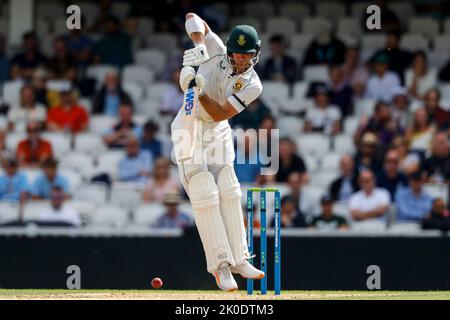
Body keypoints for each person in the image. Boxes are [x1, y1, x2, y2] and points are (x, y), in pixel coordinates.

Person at [171, 13, 265, 291]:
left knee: (229, 188)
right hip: (189, 125)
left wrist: (197, 90)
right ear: (230, 50)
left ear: (255, 54)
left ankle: (240, 258)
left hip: (217, 127)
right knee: (204, 191)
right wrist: (198, 44)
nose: (239, 60)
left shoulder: (253, 85)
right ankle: (221, 266)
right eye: (236, 54)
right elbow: (193, 18)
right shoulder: (215, 51)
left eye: (246, 55)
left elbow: (222, 112)